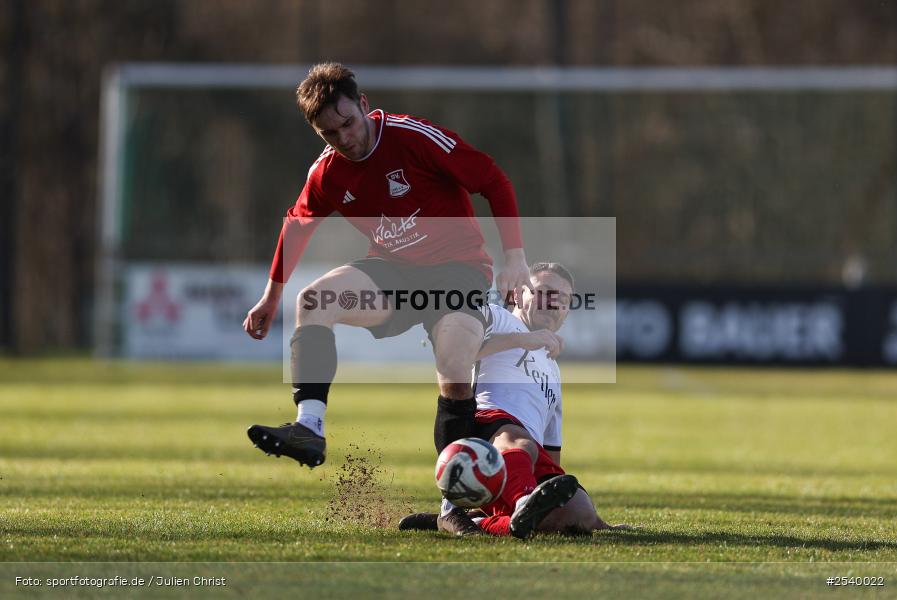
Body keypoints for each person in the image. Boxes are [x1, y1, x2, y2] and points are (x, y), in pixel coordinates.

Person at [242, 63, 531, 534]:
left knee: (454, 364)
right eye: (329, 133)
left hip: (458, 271)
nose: (344, 138)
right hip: (395, 274)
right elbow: (296, 224)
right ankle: (309, 427)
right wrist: (272, 295)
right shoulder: (327, 172)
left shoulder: (414, 138)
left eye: (348, 123)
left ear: (363, 104)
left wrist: (515, 258)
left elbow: (492, 179)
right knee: (315, 299)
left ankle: (451, 507)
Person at [400, 262, 628, 538]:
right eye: (544, 292)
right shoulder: (497, 318)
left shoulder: (553, 370)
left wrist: (594, 520)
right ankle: (521, 502)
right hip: (486, 431)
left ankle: (484, 521)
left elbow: (551, 449)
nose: (553, 303)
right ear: (518, 295)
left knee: (577, 516)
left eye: (563, 299)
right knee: (520, 441)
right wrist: (522, 339)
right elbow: (455, 354)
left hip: (524, 458)